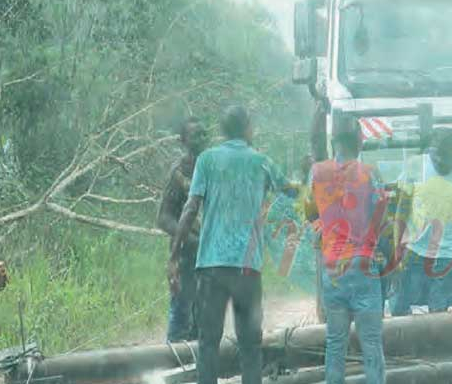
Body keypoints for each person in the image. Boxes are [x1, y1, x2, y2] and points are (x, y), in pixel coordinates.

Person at [170, 105, 296, 384]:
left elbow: (190, 208)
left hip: (212, 268)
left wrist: (174, 255)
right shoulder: (261, 161)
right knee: (250, 345)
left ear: (222, 130)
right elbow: (290, 191)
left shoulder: (207, 160)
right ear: (247, 128)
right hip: (246, 269)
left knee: (208, 343)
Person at [307, 129, 386, 384]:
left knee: (335, 342)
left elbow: (309, 211)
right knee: (371, 342)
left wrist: (324, 230)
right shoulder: (370, 173)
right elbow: (382, 211)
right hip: (363, 263)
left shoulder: (316, 172)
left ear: (333, 143)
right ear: (360, 144)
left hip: (332, 268)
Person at [391, 129, 452, 316]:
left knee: (438, 313)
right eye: (436, 155)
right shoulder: (416, 166)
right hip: (414, 249)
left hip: (446, 254)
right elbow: (402, 209)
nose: (440, 160)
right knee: (400, 308)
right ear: (430, 151)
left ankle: (431, 344)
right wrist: (397, 247)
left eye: (445, 155)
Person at [158, 116, 208, 342]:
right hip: (186, 254)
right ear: (183, 140)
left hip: (210, 258)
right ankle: (173, 368)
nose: (201, 139)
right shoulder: (179, 173)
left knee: (205, 320)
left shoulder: (213, 167)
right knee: (180, 319)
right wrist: (189, 238)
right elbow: (164, 218)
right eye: (195, 135)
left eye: (204, 134)